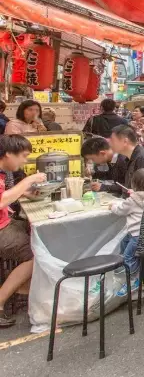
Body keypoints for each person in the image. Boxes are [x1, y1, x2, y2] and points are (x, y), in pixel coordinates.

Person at [0, 135, 47, 328]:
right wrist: (27, 182)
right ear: (8, 154)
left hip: (6, 222)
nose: (24, 161)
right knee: (36, 256)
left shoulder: (4, 173)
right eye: (23, 156)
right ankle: (5, 297)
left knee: (30, 234)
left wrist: (23, 193)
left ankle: (21, 290)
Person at [110, 168, 144, 297]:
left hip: (137, 235)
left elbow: (120, 210)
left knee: (128, 256)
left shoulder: (132, 201)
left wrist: (112, 206)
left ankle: (133, 280)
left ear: (134, 184)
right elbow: (142, 197)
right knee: (127, 246)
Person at [110, 125, 144, 190]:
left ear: (125, 141)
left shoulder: (143, 158)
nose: (110, 144)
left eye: (113, 141)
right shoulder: (129, 158)